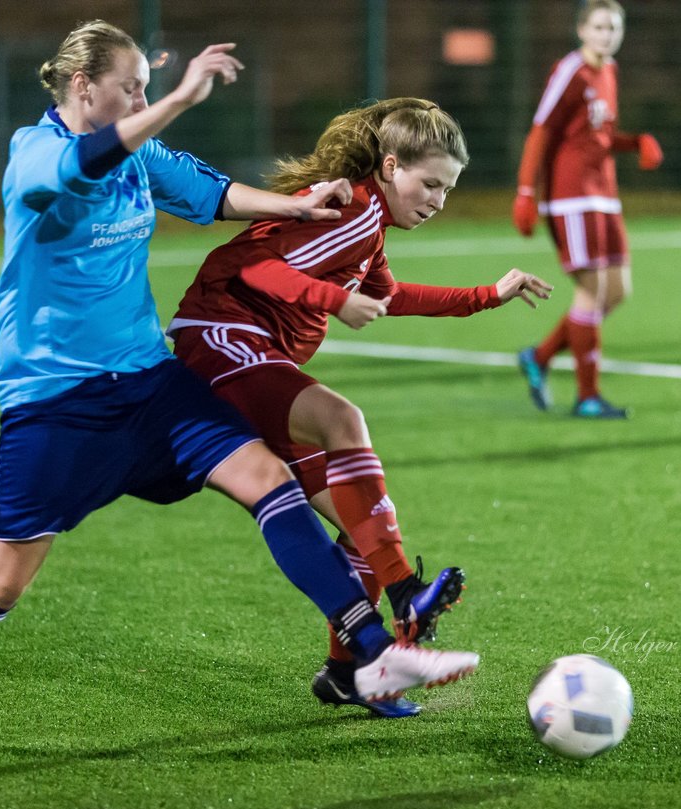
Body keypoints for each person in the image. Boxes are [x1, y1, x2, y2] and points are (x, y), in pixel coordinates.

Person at [0, 22, 478, 763]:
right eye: (130, 86)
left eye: (146, 86)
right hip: (57, 404)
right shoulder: (34, 153)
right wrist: (174, 99)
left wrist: (297, 208)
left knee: (271, 480)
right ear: (85, 87)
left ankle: (372, 651)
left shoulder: (141, 154)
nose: (140, 98)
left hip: (149, 381)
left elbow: (211, 191)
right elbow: (79, 165)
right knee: (1, 585)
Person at [169, 98, 552, 717]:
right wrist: (332, 300)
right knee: (344, 421)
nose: (436, 201)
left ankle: (345, 674)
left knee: (363, 520)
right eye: (429, 184)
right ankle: (406, 596)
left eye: (448, 190)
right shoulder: (353, 210)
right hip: (219, 336)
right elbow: (259, 269)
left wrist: (488, 294)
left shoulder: (369, 226)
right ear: (391, 165)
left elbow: (390, 296)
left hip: (257, 355)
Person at [512, 0, 661, 419]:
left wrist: (636, 144)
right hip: (572, 197)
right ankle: (587, 397)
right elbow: (541, 130)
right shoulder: (571, 71)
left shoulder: (608, 71)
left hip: (605, 195)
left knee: (616, 291)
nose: (606, 34)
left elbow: (597, 137)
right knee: (590, 292)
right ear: (582, 30)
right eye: (598, 26)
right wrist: (526, 191)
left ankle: (538, 357)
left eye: (613, 27)